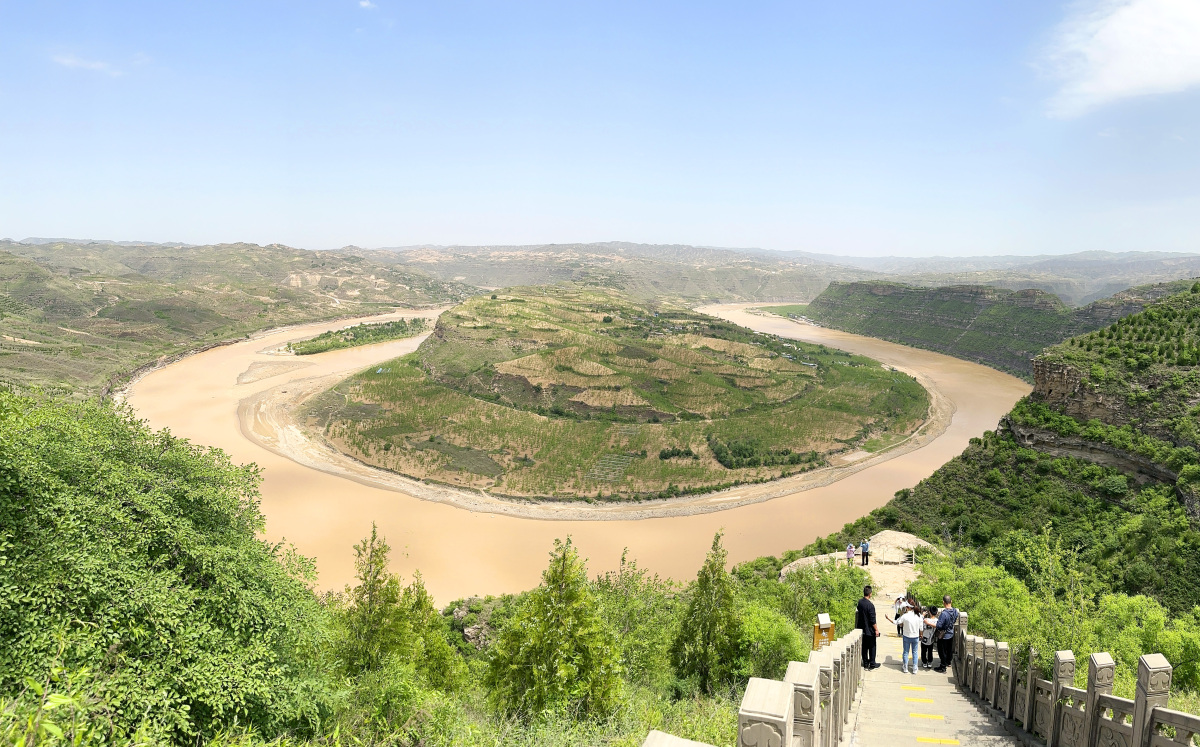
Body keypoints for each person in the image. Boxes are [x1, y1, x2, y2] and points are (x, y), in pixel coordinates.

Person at [855, 584, 881, 670]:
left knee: (864, 647)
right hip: (869, 630)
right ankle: (872, 664)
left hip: (861, 628)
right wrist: (876, 630)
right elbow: (872, 620)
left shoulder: (860, 602)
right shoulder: (870, 605)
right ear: (870, 594)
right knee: (872, 646)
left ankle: (865, 663)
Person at [933, 594, 959, 674]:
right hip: (951, 633)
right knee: (949, 649)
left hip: (943, 635)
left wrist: (929, 623)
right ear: (951, 601)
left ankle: (942, 666)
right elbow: (954, 620)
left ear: (943, 602)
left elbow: (939, 626)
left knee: (942, 651)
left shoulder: (944, 614)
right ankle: (948, 662)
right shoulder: (955, 611)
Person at [897, 602, 924, 674]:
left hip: (906, 636)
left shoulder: (905, 616)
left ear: (908, 607)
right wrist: (921, 634)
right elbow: (921, 628)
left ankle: (905, 667)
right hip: (915, 636)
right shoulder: (919, 616)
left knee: (906, 652)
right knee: (915, 652)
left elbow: (898, 622)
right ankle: (915, 668)